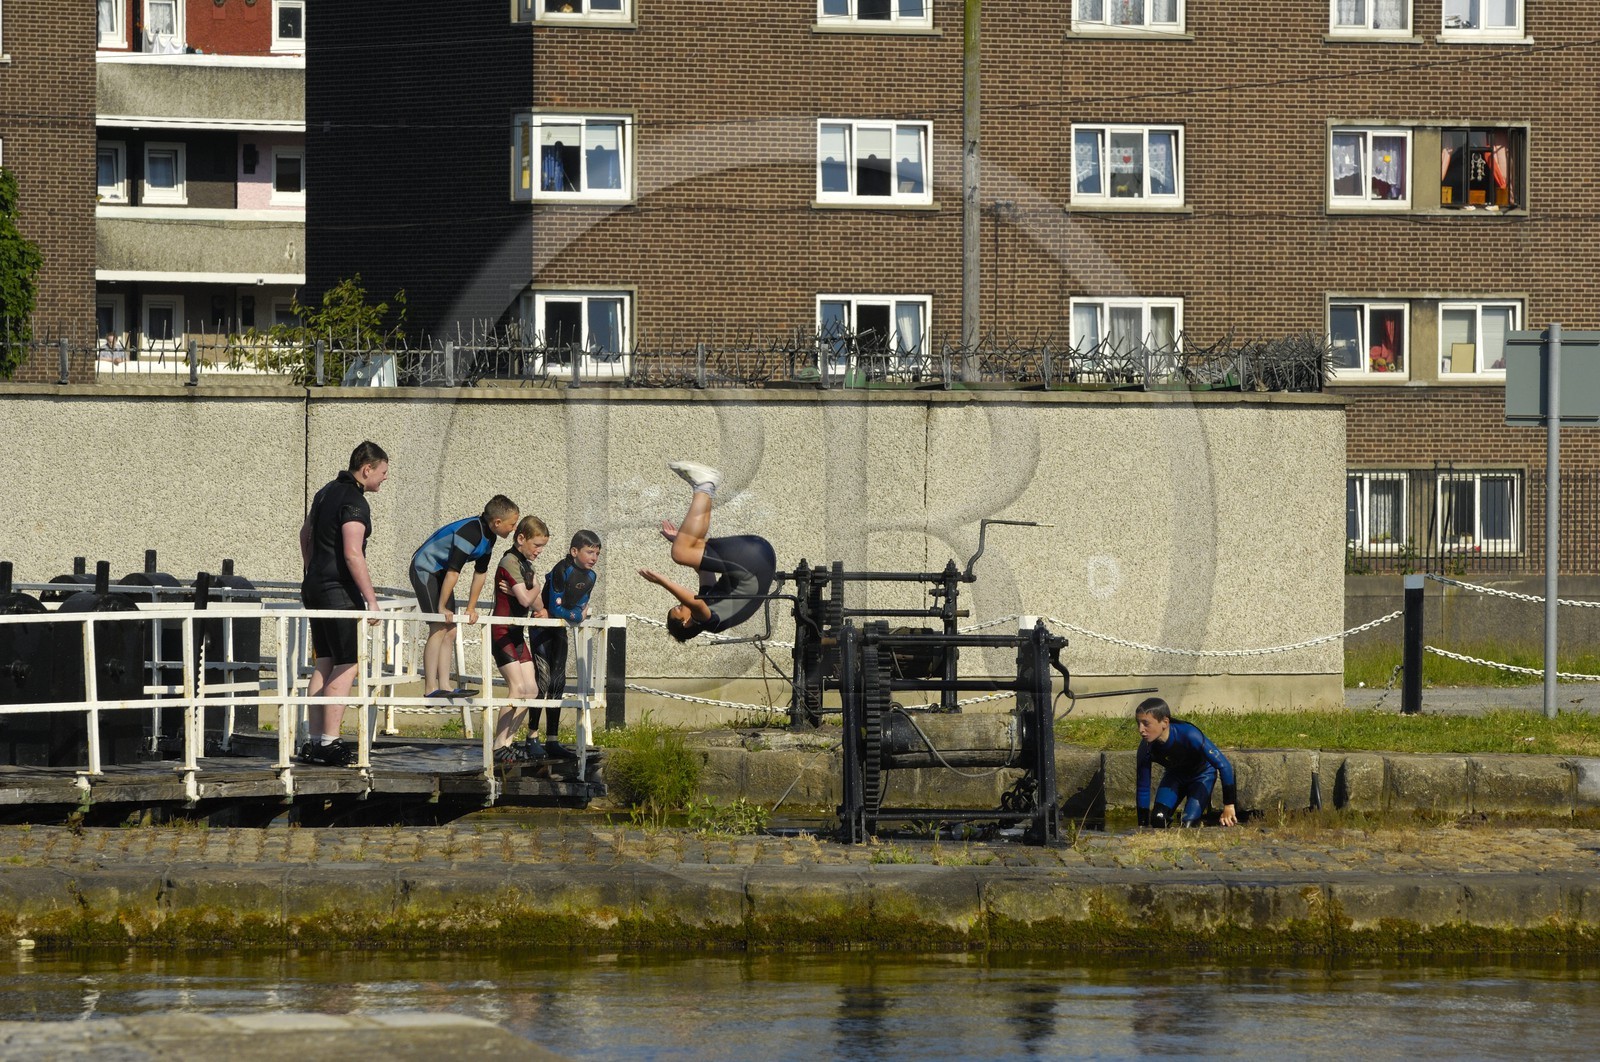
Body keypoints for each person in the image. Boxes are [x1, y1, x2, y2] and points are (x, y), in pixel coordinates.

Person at [297, 440, 389, 767]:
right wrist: (372, 600)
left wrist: (312, 571)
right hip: (338, 593)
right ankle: (330, 742)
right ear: (366, 469)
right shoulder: (354, 501)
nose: (384, 478)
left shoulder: (324, 492)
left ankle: (313, 741)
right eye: (382, 472)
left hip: (314, 587)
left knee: (325, 661)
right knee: (348, 662)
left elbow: (305, 535)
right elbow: (353, 552)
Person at [638, 460, 776, 642]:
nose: (681, 604)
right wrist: (663, 582)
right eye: (679, 609)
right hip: (753, 563)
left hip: (758, 556)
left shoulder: (709, 599)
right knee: (680, 553)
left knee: (687, 546)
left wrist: (680, 539)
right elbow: (694, 602)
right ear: (686, 622)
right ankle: (704, 485)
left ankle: (706, 487)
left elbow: (704, 568)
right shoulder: (710, 621)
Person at [410, 495, 521, 699]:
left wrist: (471, 608)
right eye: (512, 524)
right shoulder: (470, 532)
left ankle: (445, 685)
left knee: (451, 630)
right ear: (497, 522)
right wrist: (442, 606)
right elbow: (454, 572)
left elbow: (480, 573)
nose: (514, 528)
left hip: (441, 572)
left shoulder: (490, 537)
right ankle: (430, 688)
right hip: (425, 568)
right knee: (438, 624)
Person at [529, 529, 602, 761]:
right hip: (542, 628)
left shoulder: (591, 577)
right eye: (589, 552)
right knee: (542, 682)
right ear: (574, 551)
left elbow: (579, 605)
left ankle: (552, 739)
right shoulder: (563, 569)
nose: (594, 557)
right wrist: (577, 616)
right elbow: (557, 608)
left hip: (559, 629)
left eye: (597, 553)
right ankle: (532, 736)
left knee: (558, 682)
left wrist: (575, 614)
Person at [489, 515, 551, 765]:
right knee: (516, 688)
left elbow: (538, 604)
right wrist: (535, 586)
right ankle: (497, 745)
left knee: (532, 689)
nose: (539, 551)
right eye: (536, 545)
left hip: (516, 634)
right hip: (501, 631)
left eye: (542, 547)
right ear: (521, 539)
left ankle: (509, 742)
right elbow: (527, 601)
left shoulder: (526, 566)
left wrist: (532, 588)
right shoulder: (510, 561)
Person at [1134, 697, 1238, 828]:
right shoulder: (1146, 748)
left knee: (1188, 825)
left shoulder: (1189, 734)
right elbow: (1143, 788)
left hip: (1202, 776)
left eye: (1146, 723)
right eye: (1138, 723)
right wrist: (1142, 826)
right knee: (1157, 821)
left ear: (1165, 722)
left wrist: (1229, 805)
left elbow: (1224, 765)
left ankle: (1204, 819)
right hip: (1175, 776)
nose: (1140, 729)